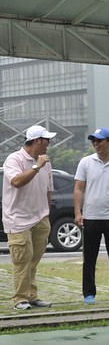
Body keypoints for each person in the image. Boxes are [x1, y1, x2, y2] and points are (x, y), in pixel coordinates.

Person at [74, 127, 109, 304]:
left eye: (99, 141)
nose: (96, 144)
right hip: (91, 217)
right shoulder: (86, 162)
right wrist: (78, 212)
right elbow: (79, 188)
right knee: (89, 258)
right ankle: (89, 293)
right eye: (94, 141)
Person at [2, 125, 57, 310]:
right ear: (36, 141)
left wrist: (46, 214)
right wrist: (36, 166)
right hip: (18, 219)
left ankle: (32, 296)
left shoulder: (46, 162)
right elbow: (16, 182)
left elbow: (49, 190)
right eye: (46, 140)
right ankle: (20, 299)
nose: (48, 144)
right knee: (22, 261)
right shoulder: (14, 159)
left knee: (34, 260)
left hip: (40, 217)